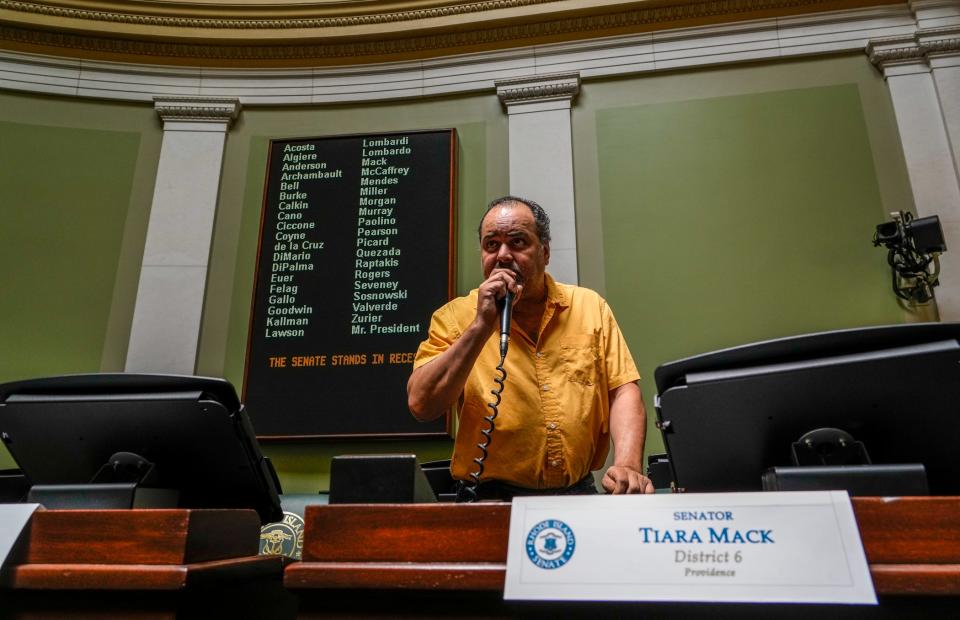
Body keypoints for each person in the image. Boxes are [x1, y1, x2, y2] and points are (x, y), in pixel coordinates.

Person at [407, 196, 654, 499]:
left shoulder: (590, 307)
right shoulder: (454, 318)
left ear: (545, 252)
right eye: (491, 245)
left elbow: (622, 390)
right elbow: (422, 404)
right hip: (490, 498)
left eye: (518, 242)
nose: (503, 255)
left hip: (577, 492)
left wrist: (628, 463)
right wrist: (480, 327)